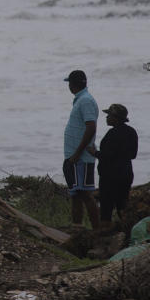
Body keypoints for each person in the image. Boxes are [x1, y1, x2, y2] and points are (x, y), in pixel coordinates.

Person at [88, 103, 138, 228]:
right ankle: (128, 233)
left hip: (110, 177)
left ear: (115, 118)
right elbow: (133, 155)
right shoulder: (131, 132)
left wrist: (95, 153)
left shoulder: (112, 134)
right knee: (123, 205)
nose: (106, 118)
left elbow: (108, 156)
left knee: (106, 208)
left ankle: (105, 237)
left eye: (109, 115)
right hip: (126, 174)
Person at [62, 69, 100, 229]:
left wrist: (78, 153)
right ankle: (77, 227)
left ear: (72, 85)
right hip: (74, 156)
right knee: (76, 194)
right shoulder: (81, 100)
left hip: (81, 157)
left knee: (85, 194)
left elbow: (91, 127)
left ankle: (98, 229)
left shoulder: (85, 100)